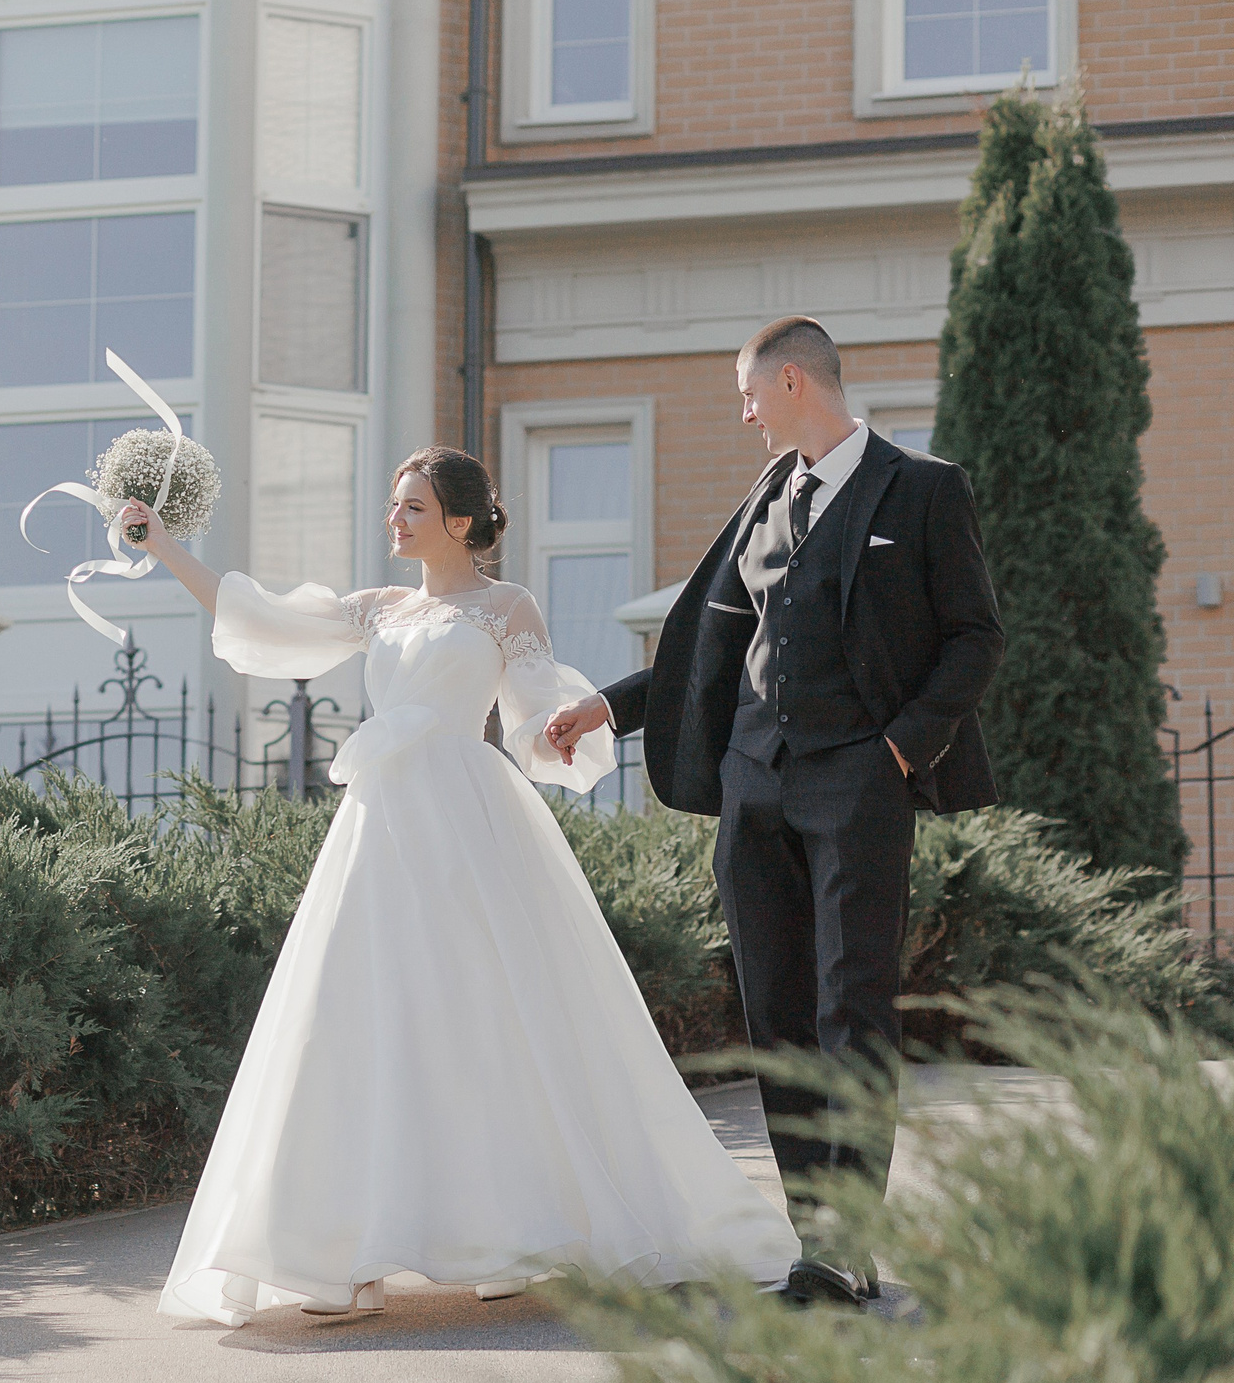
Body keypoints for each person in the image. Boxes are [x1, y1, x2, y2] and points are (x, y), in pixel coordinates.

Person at [136, 445, 799, 1327]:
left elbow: (532, 712)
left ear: (459, 518)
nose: (394, 519)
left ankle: (508, 1238)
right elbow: (256, 617)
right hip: (377, 830)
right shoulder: (377, 608)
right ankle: (339, 1258)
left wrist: (561, 729)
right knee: (352, 1017)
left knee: (486, 1016)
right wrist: (165, 546)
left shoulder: (503, 606)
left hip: (468, 821)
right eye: (393, 504)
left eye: (412, 506)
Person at [544, 315, 1003, 1310]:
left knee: (850, 1009)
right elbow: (708, 650)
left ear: (793, 381)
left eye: (750, 393)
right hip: (755, 788)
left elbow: (974, 637)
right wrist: (608, 708)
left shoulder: (921, 489)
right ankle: (814, 1241)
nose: (744, 411)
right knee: (778, 1016)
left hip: (859, 782)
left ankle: (849, 1242)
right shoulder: (765, 498)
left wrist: (898, 748)